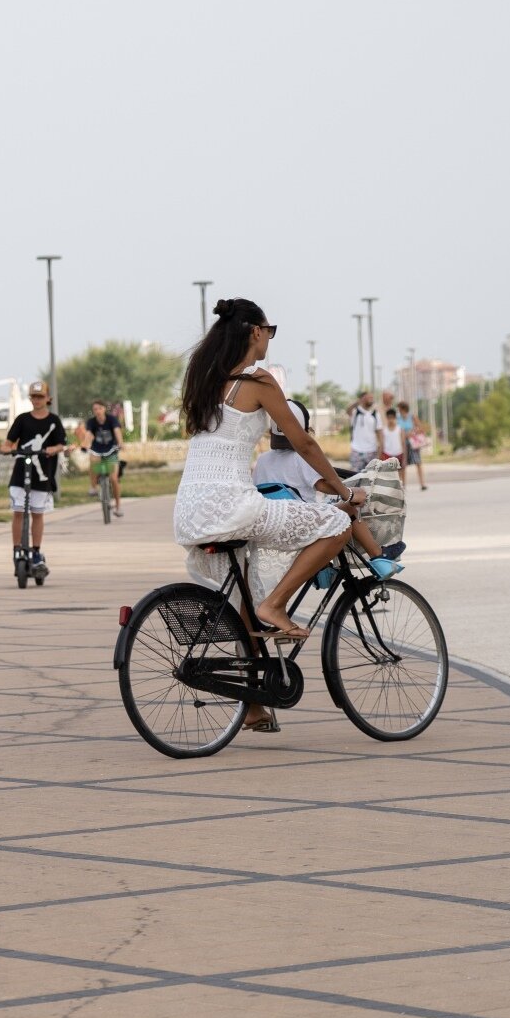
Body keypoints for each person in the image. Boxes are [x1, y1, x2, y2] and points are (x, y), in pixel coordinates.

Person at [174, 297, 355, 712]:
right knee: (336, 525)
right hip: (231, 503)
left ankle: (253, 706)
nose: (270, 338)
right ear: (256, 331)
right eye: (269, 331)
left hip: (189, 507)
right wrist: (344, 492)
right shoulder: (259, 380)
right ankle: (276, 605)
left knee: (242, 603)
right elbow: (302, 441)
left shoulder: (204, 378)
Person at [253, 397, 397, 573]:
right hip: (301, 524)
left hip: (272, 526)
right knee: (349, 509)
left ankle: (326, 570)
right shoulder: (301, 457)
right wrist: (352, 491)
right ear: (306, 430)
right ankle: (378, 556)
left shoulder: (262, 460)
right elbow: (324, 485)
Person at [0, 381, 67, 570]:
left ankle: (36, 551)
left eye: (40, 397)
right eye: (33, 397)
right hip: (21, 472)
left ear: (48, 398)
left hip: (43, 474)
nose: (37, 400)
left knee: (37, 513)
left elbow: (61, 443)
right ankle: (17, 549)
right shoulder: (22, 419)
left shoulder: (53, 421)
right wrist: (5, 448)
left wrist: (53, 448)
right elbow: (9, 442)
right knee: (18, 511)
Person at [76, 399, 124, 517]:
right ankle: (93, 486)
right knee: (92, 461)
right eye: (95, 409)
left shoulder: (111, 419)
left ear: (104, 409)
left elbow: (117, 431)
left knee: (114, 479)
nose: (97, 411)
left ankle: (118, 507)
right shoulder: (92, 422)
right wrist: (84, 445)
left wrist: (121, 443)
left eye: (99, 408)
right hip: (97, 450)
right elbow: (88, 435)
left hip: (111, 450)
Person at [398, 404, 430, 492]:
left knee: (418, 462)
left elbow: (420, 428)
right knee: (403, 465)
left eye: (400, 409)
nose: (399, 410)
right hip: (403, 443)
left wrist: (412, 432)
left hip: (413, 443)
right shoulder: (398, 418)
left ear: (403, 409)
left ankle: (422, 483)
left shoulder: (412, 417)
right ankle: (403, 484)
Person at [347, 391, 379, 472]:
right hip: (357, 450)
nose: (370, 400)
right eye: (368, 398)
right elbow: (348, 411)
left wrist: (380, 450)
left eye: (371, 398)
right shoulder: (356, 412)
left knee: (371, 478)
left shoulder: (375, 414)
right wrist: (358, 402)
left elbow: (380, 432)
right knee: (355, 477)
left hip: (372, 450)